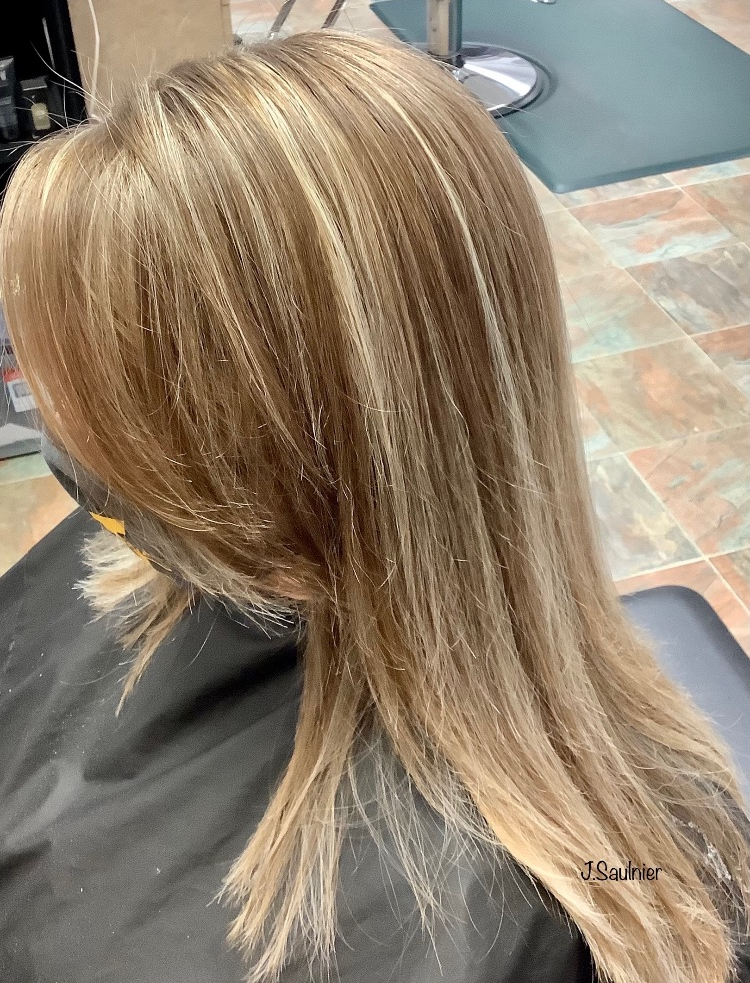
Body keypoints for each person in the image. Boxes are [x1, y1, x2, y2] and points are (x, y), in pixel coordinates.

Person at [1, 29, 749, 983]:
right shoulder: (145, 548)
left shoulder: (528, 925)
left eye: (85, 394)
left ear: (244, 452)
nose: (50, 416)